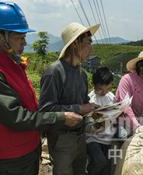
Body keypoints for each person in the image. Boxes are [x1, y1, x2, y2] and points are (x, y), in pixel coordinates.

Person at [0, 2, 82, 175]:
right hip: (12, 160)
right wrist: (60, 117)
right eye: (19, 38)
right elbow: (17, 117)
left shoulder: (12, 64)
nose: (25, 42)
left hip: (28, 149)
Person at [39, 22, 100, 175]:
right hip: (61, 140)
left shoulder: (82, 74)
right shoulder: (54, 72)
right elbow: (46, 111)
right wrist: (79, 109)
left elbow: (84, 102)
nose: (91, 47)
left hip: (80, 137)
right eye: (88, 42)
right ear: (75, 44)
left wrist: (95, 114)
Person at [86, 67, 116, 175]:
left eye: (107, 89)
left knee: (107, 168)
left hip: (108, 139)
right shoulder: (90, 99)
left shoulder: (111, 97)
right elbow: (88, 124)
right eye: (100, 89)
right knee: (100, 162)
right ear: (93, 84)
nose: (103, 92)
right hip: (93, 139)